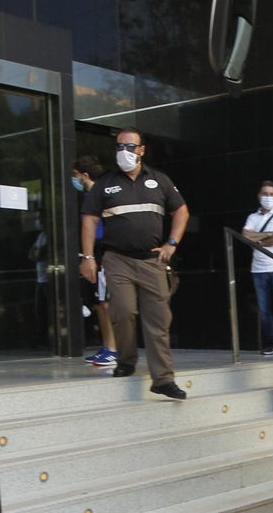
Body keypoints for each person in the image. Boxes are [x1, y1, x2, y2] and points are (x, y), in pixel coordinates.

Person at [77, 128, 189, 400]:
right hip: (117, 260)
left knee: (158, 321)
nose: (123, 151)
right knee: (123, 311)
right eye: (119, 146)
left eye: (129, 146)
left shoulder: (159, 179)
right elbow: (89, 221)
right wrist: (88, 258)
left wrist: (171, 244)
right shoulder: (105, 183)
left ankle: (163, 379)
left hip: (152, 261)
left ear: (141, 150)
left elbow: (181, 211)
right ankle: (126, 360)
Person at [71, 155, 116, 367]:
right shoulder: (90, 196)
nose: (74, 179)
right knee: (100, 304)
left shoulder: (100, 196)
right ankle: (107, 346)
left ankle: (113, 348)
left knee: (106, 303)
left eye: (75, 175)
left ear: (85, 175)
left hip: (103, 251)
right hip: (94, 252)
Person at [241, 180, 273, 358]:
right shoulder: (252, 217)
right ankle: (271, 343)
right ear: (259, 196)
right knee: (264, 310)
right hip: (258, 269)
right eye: (265, 194)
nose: (268, 197)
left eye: (271, 194)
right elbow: (245, 236)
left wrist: (259, 240)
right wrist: (268, 234)